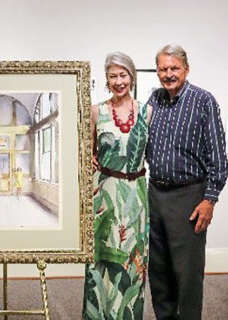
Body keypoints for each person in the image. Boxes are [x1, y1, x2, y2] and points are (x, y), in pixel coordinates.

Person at [146, 44, 228, 320]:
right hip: (154, 195)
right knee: (158, 271)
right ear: (157, 71)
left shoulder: (203, 101)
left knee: (188, 273)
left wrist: (210, 200)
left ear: (186, 69)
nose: (168, 74)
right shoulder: (153, 101)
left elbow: (219, 158)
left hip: (189, 198)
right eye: (163, 69)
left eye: (174, 68)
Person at [82, 52, 152, 320]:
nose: (118, 81)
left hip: (136, 195)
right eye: (113, 76)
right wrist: (89, 158)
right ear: (106, 79)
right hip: (105, 193)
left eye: (123, 75)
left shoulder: (147, 111)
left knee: (133, 260)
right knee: (101, 260)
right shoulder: (96, 111)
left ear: (132, 78)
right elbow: (87, 151)